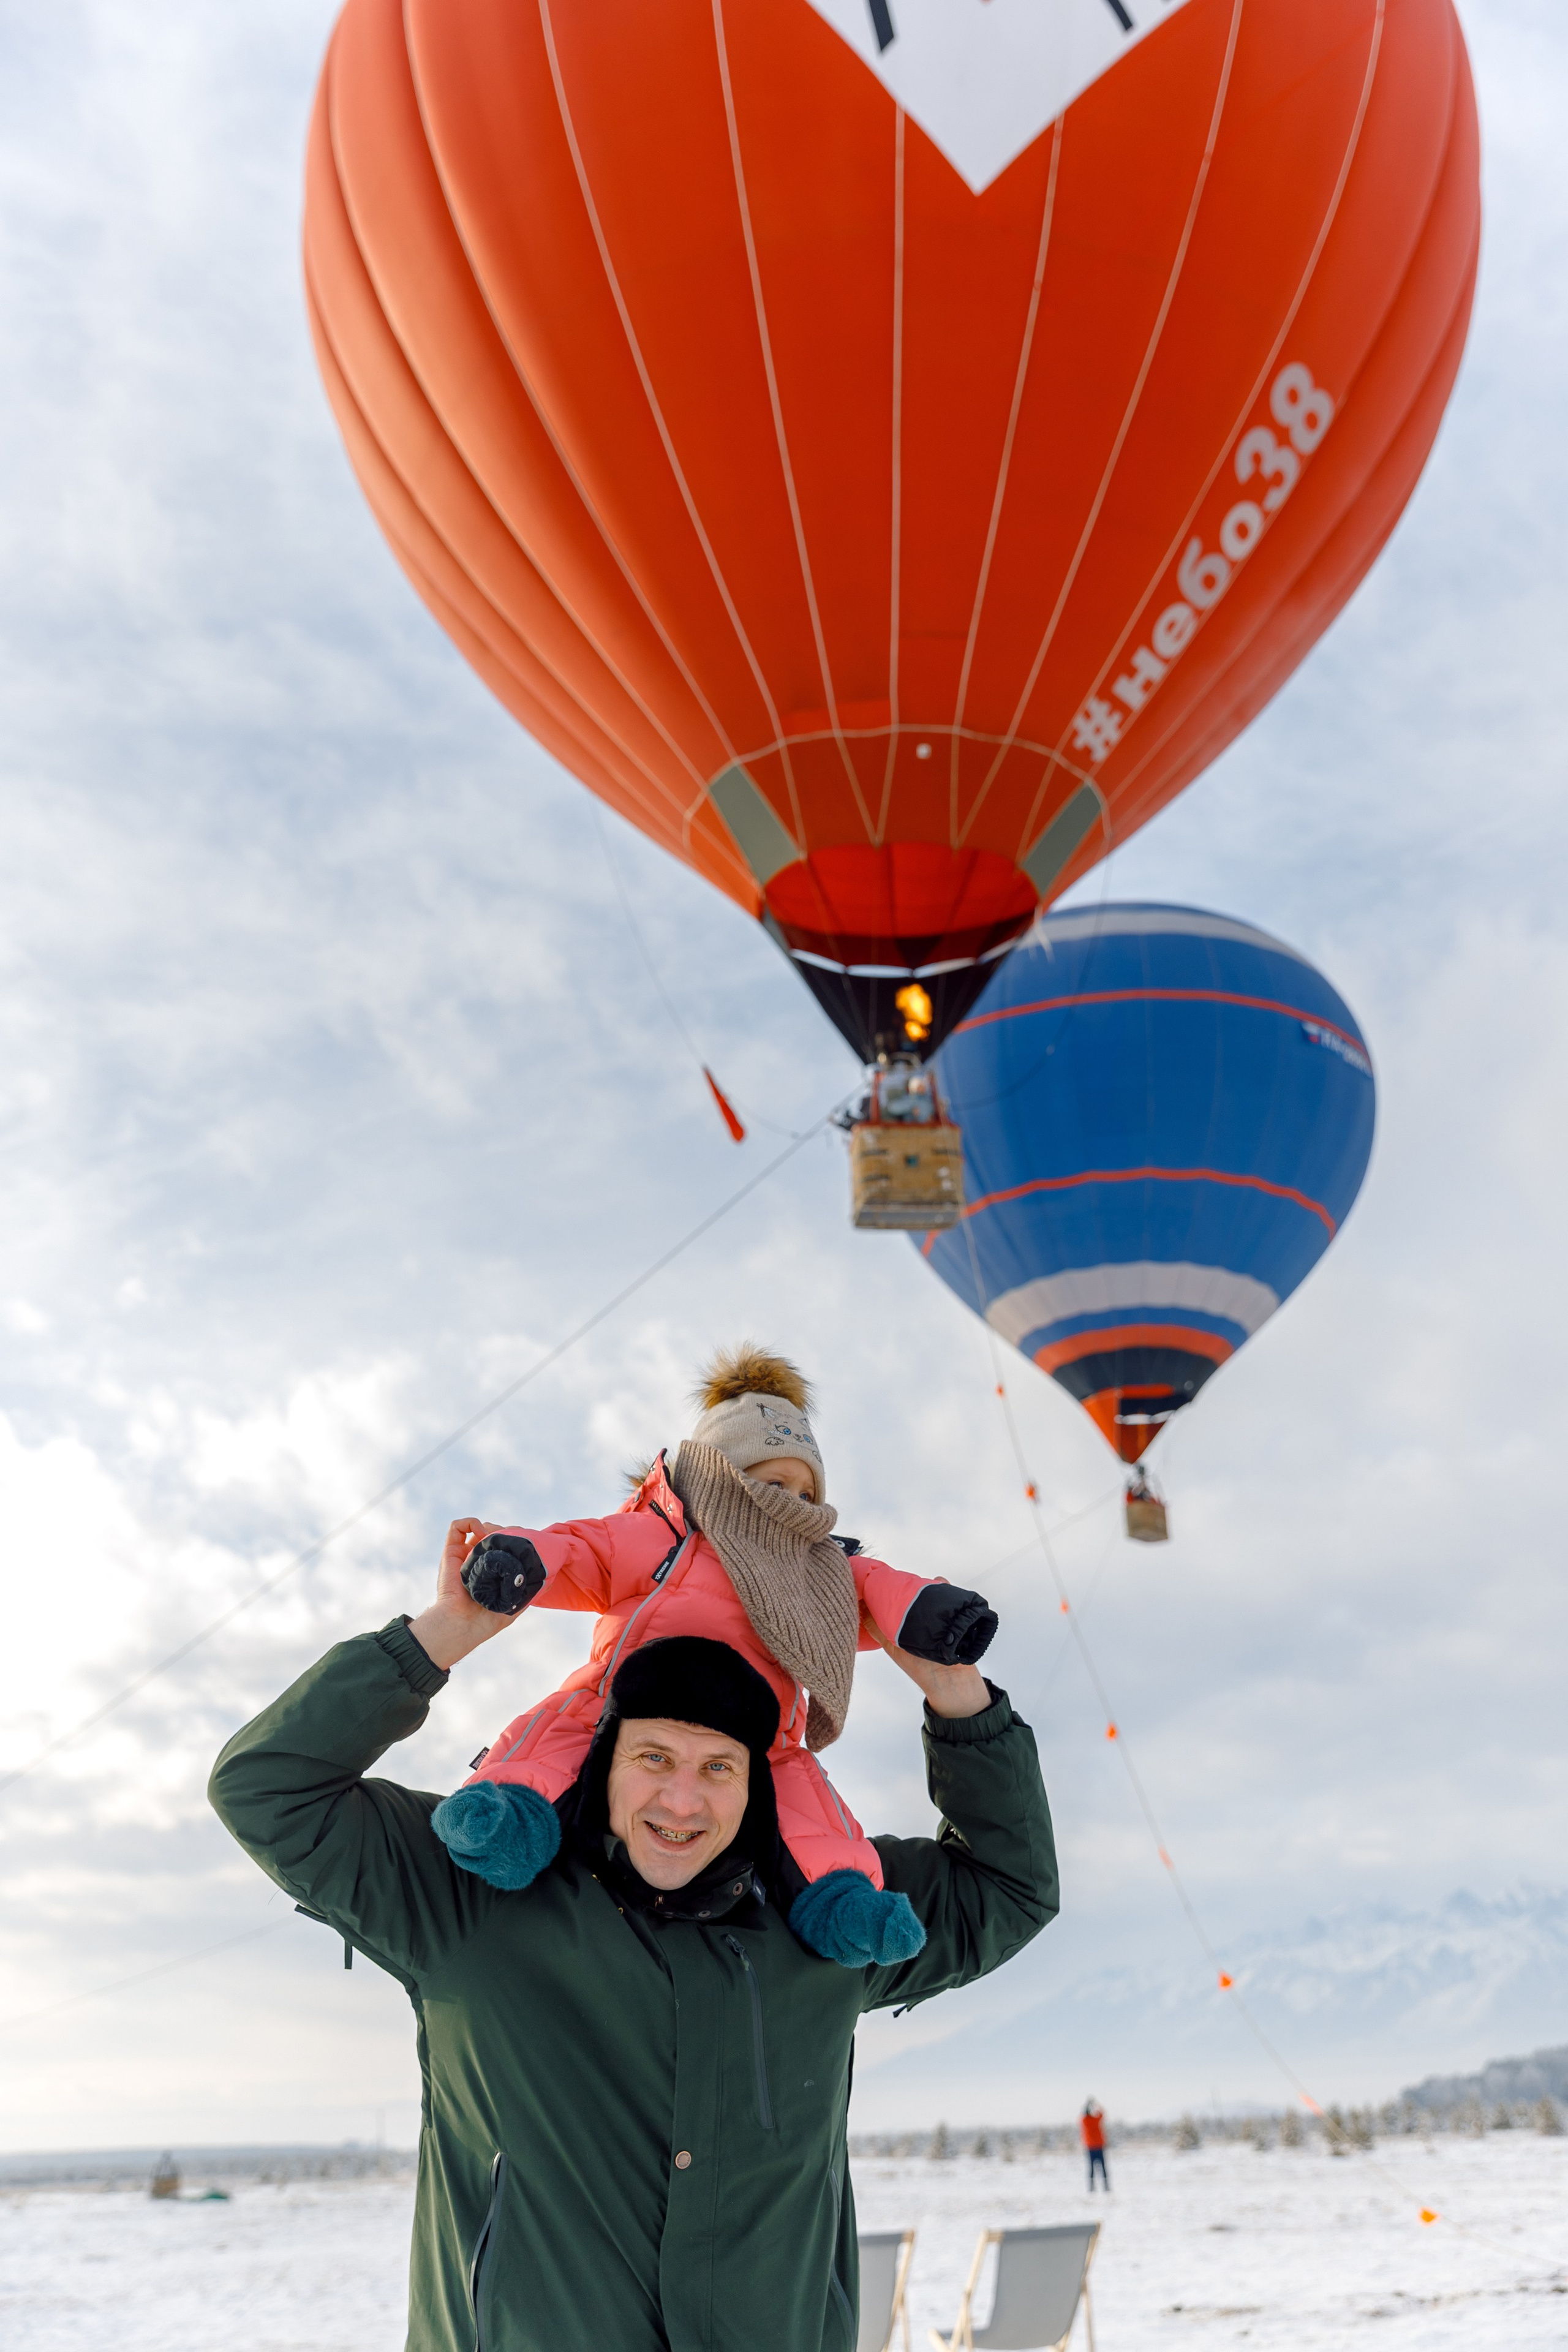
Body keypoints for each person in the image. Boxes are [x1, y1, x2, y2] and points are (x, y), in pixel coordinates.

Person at [209, 1518, 1058, 2352]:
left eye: (718, 1768)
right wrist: (446, 1633)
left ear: (757, 1788)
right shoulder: (465, 1895)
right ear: (603, 1761)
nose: (682, 1802)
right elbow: (267, 1789)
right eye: (654, 1757)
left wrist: (956, 1698)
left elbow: (1012, 1887)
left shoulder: (829, 1924)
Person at [435, 1345, 997, 1968]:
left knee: (805, 1798)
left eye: (809, 1492)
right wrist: (521, 1561)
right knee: (562, 1732)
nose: (797, 1505)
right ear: (721, 1473)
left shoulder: (819, 1572)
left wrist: (933, 1614)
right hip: (626, 1700)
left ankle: (843, 1901)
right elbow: (583, 1550)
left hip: (760, 1731)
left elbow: (876, 1593)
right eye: (776, 1483)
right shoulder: (661, 1539)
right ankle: (508, 1816)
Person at [1082, 2100, 1109, 2190]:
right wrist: (1096, 2104)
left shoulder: (1085, 2121)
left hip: (1090, 2147)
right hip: (1099, 2146)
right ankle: (1106, 2187)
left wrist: (1088, 2105)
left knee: (1091, 2168)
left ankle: (1091, 2188)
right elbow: (1102, 2113)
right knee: (1103, 2167)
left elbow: (1082, 2115)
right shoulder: (1096, 2120)